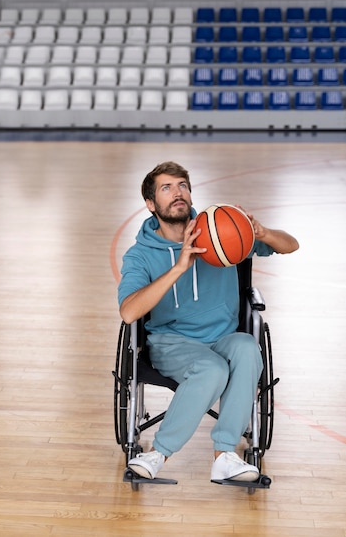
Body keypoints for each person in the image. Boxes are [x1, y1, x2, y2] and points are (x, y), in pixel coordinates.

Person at [118, 161, 299, 483]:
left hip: (223, 337)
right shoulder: (140, 254)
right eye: (166, 188)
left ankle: (225, 456)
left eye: (182, 185)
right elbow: (129, 313)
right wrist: (178, 268)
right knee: (212, 368)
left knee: (246, 347)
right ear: (150, 204)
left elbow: (290, 246)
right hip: (172, 343)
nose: (178, 193)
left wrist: (263, 233)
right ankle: (158, 453)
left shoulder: (219, 232)